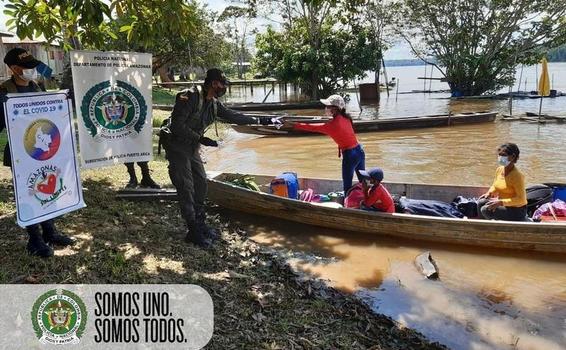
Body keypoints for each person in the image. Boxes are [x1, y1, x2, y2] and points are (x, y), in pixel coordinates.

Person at [164, 68, 276, 248]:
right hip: (178, 148)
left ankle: (200, 224)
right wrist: (200, 138)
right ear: (215, 84)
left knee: (201, 184)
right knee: (186, 187)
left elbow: (234, 116)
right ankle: (193, 231)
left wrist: (261, 120)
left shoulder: (214, 103)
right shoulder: (189, 97)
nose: (224, 88)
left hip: (192, 148)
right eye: (223, 84)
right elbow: (177, 125)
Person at [0, 48, 74, 257]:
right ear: (14, 69)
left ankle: (50, 232)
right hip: (20, 154)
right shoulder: (3, 92)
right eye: (28, 67)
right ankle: (34, 238)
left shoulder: (37, 86)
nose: (33, 70)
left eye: (34, 66)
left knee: (47, 190)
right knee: (28, 192)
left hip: (44, 152)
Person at [284, 94, 364, 194]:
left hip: (349, 155)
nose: (326, 108)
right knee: (363, 182)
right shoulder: (347, 118)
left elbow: (312, 127)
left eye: (328, 106)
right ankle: (366, 201)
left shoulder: (332, 125)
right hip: (359, 150)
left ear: (335, 109)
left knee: (347, 186)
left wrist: (294, 125)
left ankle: (347, 205)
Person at [477, 143, 527, 221]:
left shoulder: (517, 176)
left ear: (513, 157)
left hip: (516, 210)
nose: (500, 158)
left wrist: (501, 202)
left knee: (485, 209)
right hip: (503, 204)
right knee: (481, 203)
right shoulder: (499, 170)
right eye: (499, 155)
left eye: (503, 155)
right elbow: (495, 185)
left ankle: (493, 229)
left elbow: (521, 200)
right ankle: (481, 227)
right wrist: (489, 193)